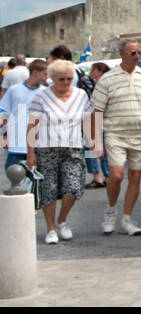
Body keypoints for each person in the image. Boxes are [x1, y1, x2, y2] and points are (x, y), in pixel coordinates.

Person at [91, 40, 141, 236]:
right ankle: (111, 210)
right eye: (133, 53)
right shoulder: (107, 79)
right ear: (122, 54)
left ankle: (127, 218)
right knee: (116, 175)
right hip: (115, 133)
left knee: (135, 177)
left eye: (139, 52)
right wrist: (96, 141)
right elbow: (96, 111)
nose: (137, 56)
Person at [26, 60, 95, 243]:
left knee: (73, 186)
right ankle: (50, 228)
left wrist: (94, 143)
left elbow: (87, 120)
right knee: (49, 188)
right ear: (52, 79)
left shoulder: (81, 95)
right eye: (61, 79)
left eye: (69, 79)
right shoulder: (41, 97)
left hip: (73, 146)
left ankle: (62, 219)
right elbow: (32, 125)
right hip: (46, 148)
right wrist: (30, 152)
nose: (65, 82)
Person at [0, 64, 43, 173]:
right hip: (16, 139)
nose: (46, 78)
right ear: (35, 72)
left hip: (38, 142)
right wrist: (4, 135)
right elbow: (4, 112)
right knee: (13, 173)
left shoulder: (45, 91)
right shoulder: (14, 90)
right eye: (44, 74)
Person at [81, 62, 111, 187]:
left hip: (96, 117)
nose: (91, 73)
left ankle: (97, 176)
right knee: (102, 147)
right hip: (101, 118)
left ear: (99, 71)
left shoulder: (100, 84)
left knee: (91, 147)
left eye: (93, 70)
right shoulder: (105, 83)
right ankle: (106, 175)